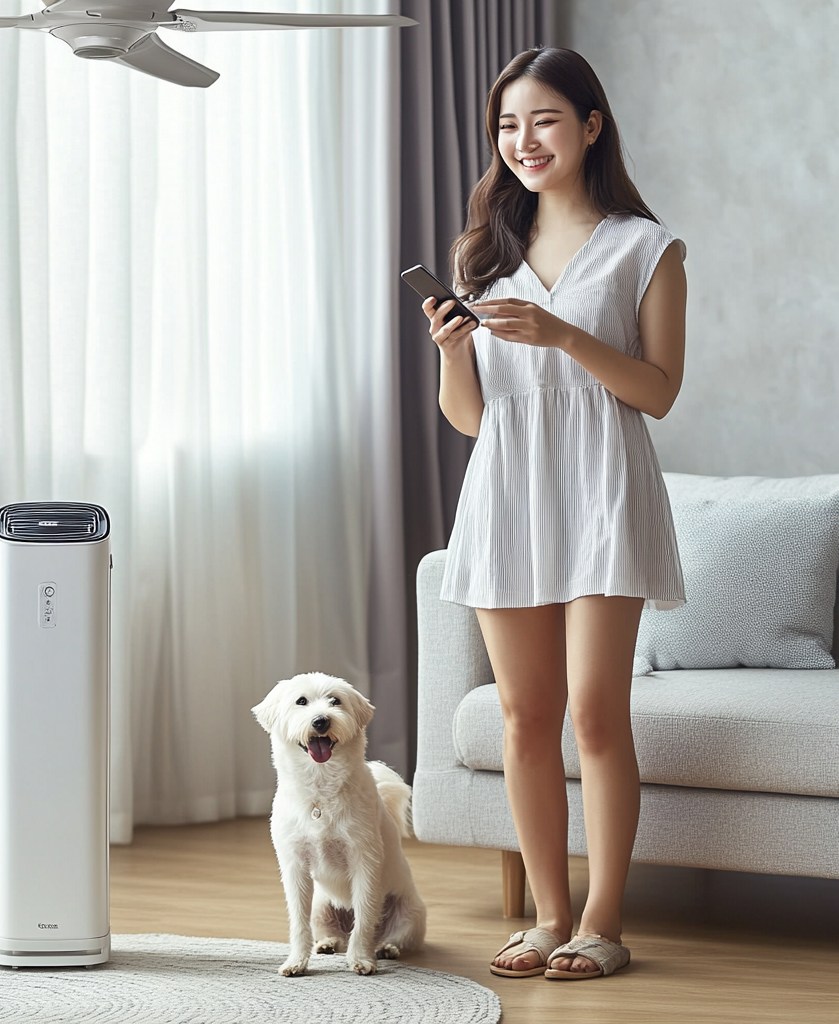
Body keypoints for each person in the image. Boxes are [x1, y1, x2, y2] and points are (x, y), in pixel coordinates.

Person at [420, 47, 686, 981]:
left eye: (542, 120)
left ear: (590, 126)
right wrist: (455, 350)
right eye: (506, 125)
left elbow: (657, 393)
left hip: (603, 490)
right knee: (525, 719)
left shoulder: (644, 247)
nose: (523, 141)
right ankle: (546, 917)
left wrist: (566, 335)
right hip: (506, 491)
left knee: (596, 715)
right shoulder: (479, 254)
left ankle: (603, 924)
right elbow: (473, 419)